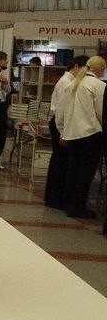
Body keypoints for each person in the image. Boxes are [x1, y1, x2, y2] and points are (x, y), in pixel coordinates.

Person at [58, 55, 105, 221]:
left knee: (73, 170)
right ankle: (78, 207)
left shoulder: (74, 84)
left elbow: (63, 110)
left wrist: (63, 130)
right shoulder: (99, 85)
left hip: (73, 134)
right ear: (101, 69)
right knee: (86, 173)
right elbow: (101, 111)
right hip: (90, 134)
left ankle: (69, 204)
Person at [44, 55, 88, 209]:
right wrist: (63, 132)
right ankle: (54, 198)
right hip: (59, 124)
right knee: (60, 162)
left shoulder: (70, 81)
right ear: (76, 66)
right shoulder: (67, 83)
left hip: (61, 124)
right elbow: (62, 110)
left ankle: (55, 196)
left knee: (61, 161)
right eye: (84, 69)